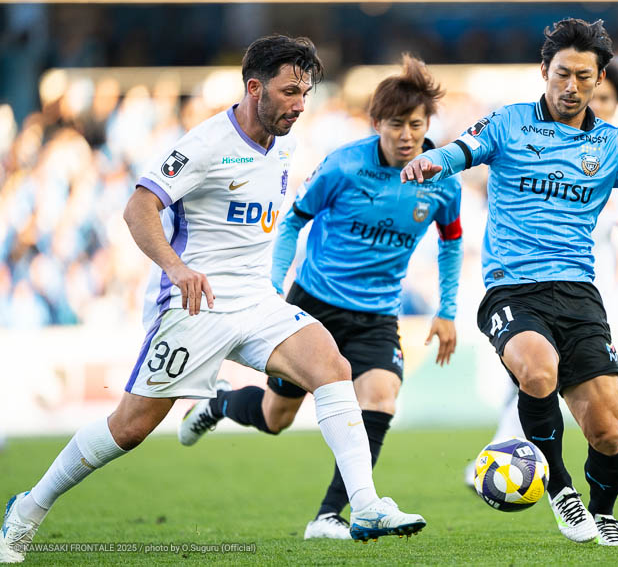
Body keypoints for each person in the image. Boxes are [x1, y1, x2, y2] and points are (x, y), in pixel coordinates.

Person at [0, 35, 426, 564]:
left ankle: (362, 505)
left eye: (305, 93)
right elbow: (138, 208)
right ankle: (28, 510)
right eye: (289, 92)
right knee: (130, 427)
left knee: (332, 367)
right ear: (254, 88)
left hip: (256, 301)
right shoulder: (204, 144)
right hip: (195, 306)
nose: (299, 105)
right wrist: (176, 268)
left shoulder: (285, 142)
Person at [402, 18, 618, 547]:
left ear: (599, 78)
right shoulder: (509, 122)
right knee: (538, 372)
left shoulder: (612, 144)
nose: (571, 86)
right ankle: (560, 490)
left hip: (579, 293)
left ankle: (602, 513)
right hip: (512, 288)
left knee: (608, 432)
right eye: (562, 74)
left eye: (583, 76)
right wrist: (431, 162)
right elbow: (460, 150)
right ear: (544, 71)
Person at [177, 54, 462, 541]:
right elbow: (293, 221)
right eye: (396, 125)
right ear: (377, 123)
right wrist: (273, 283)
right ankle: (219, 404)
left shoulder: (442, 180)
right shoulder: (344, 165)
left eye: (416, 125)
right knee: (276, 417)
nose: (407, 136)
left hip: (377, 314)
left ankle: (329, 516)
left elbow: (452, 242)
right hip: (315, 304)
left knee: (380, 397)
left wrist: (447, 309)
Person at [468, 62, 618, 469]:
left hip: (591, 286)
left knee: (570, 389)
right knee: (535, 375)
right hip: (533, 280)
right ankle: (508, 458)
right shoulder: (547, 144)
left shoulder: (614, 153)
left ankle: (504, 457)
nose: (594, 101)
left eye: (605, 98)